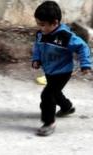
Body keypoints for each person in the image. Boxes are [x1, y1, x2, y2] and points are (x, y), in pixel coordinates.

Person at [32, 1, 91, 136]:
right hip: (49, 71)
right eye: (38, 24)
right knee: (55, 93)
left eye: (43, 25)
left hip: (63, 72)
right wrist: (36, 59)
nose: (40, 28)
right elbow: (37, 47)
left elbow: (83, 47)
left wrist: (85, 64)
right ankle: (66, 107)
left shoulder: (66, 37)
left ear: (55, 22)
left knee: (47, 95)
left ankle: (49, 122)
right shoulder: (41, 34)